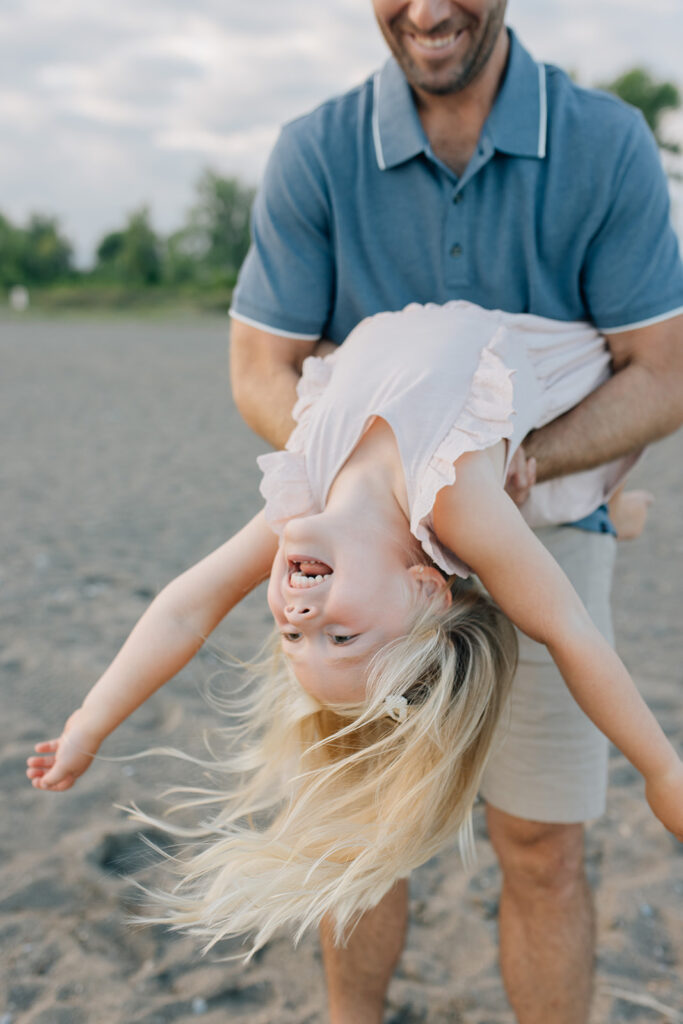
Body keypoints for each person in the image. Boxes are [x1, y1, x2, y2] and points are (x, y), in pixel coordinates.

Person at [227, 2, 683, 1021]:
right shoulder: (315, 151)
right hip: (368, 554)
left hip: (544, 529)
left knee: (541, 845)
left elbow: (663, 371)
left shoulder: (603, 142)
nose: (428, 11)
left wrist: (519, 462)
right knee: (357, 836)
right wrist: (378, 475)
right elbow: (258, 366)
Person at [27, 300, 682, 974]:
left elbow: (187, 611)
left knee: (518, 492)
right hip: (551, 369)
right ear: (423, 589)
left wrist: (90, 722)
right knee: (522, 497)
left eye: (290, 634)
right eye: (340, 637)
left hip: (436, 385)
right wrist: (662, 771)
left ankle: (611, 506)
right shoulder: (452, 498)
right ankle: (610, 503)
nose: (301, 616)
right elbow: (567, 631)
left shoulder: (302, 497)